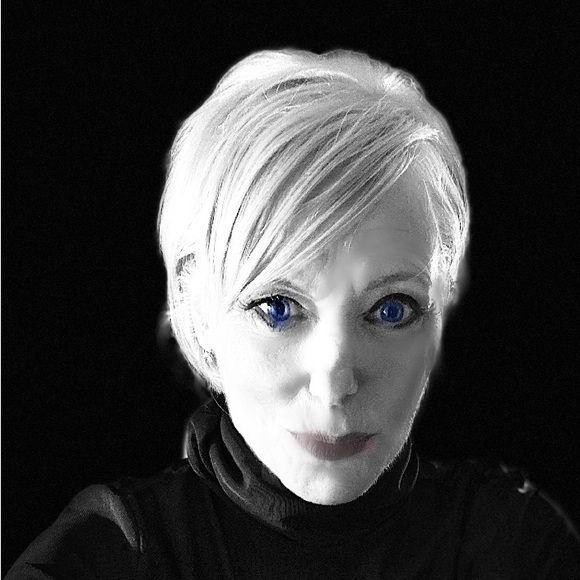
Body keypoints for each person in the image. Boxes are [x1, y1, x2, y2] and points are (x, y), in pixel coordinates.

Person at [6, 48, 579, 579]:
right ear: (199, 313)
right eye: (277, 307)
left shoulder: (514, 549)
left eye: (391, 309)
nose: (335, 381)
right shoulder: (108, 557)